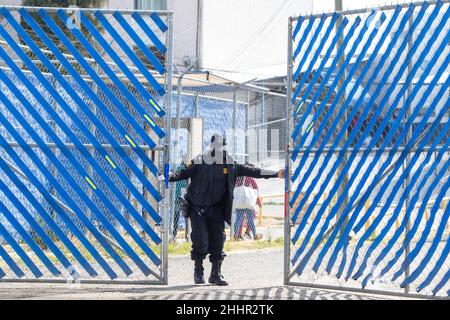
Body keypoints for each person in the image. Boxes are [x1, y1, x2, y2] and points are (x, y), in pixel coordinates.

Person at [169, 134, 285, 286]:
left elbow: (253, 171)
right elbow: (183, 173)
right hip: (197, 208)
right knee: (200, 240)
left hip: (217, 209)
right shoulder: (199, 161)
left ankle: (215, 274)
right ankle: (198, 272)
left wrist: (276, 173)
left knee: (218, 242)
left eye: (222, 148)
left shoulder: (231, 165)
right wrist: (170, 175)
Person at [233, 173, 262, 240]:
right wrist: (258, 201)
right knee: (251, 219)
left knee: (238, 219)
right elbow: (256, 189)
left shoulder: (237, 179)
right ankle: (255, 235)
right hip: (248, 201)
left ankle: (236, 235)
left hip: (240, 201)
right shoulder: (250, 178)